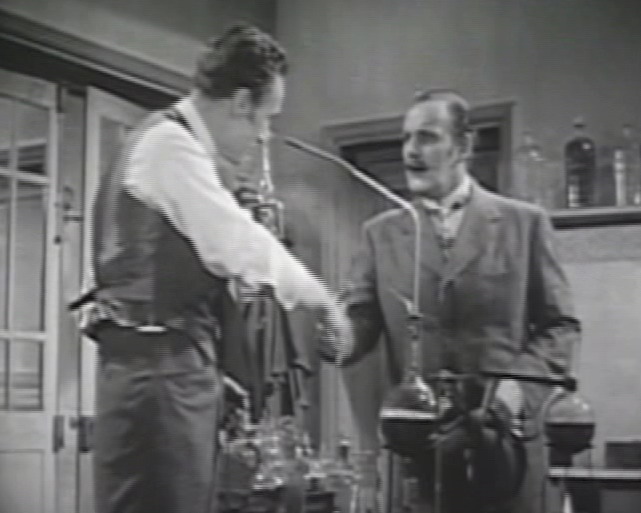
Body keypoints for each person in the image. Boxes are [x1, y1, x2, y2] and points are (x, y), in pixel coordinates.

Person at [79, 23, 351, 513]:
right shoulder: (170, 146)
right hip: (159, 376)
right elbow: (238, 245)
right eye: (265, 119)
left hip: (160, 369)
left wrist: (204, 365)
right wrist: (323, 300)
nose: (264, 137)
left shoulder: (157, 139)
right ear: (241, 103)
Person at [337, 89, 580, 513]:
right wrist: (322, 321)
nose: (411, 151)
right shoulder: (381, 234)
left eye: (427, 137)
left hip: (506, 452)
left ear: (463, 146)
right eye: (406, 138)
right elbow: (357, 328)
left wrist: (513, 393)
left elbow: (560, 328)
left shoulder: (524, 224)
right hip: (421, 456)